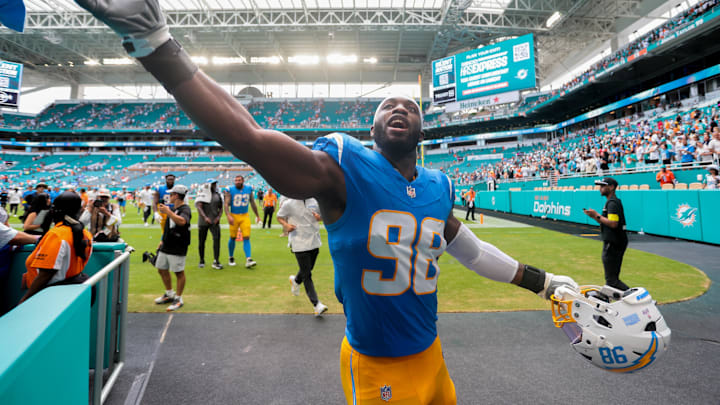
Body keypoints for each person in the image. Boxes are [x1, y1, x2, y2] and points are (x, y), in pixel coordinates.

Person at [73, 5, 578, 402]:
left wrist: (544, 281)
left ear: (424, 128)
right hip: (377, 365)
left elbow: (467, 248)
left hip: (433, 353)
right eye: (386, 106)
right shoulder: (344, 167)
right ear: (373, 131)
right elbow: (248, 136)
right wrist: (158, 45)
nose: (398, 107)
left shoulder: (438, 185)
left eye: (410, 106)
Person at [19, 191, 93, 303]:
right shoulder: (86, 234)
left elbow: (46, 273)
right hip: (70, 291)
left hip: (50, 295)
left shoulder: (56, 234)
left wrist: (26, 298)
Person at [277, 197, 328, 316]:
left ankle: (295, 280)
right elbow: (279, 216)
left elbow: (323, 215)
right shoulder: (289, 203)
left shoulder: (315, 201)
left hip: (314, 240)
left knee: (309, 268)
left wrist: (319, 218)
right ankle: (317, 304)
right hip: (298, 241)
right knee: (307, 274)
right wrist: (286, 225)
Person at [583, 177, 629, 291]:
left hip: (613, 244)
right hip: (614, 242)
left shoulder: (612, 203)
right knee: (611, 280)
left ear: (611, 187)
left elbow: (613, 223)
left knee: (612, 281)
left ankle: (636, 299)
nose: (600, 188)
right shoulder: (611, 202)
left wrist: (596, 215)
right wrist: (594, 216)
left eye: (603, 186)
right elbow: (607, 222)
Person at [153, 184, 191, 311]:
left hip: (178, 245)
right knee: (161, 268)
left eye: (171, 194)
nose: (169, 196)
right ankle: (169, 294)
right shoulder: (173, 208)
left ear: (176, 195)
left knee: (178, 272)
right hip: (167, 244)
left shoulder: (185, 209)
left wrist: (168, 212)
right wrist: (162, 240)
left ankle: (179, 298)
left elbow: (182, 222)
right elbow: (169, 227)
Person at [223, 175, 260, 268]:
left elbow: (252, 202)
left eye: (239, 180)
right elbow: (226, 204)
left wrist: (257, 215)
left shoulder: (249, 189)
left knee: (246, 237)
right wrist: (228, 215)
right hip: (234, 216)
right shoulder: (230, 189)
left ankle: (249, 259)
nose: (237, 182)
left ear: (243, 180)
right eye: (236, 180)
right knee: (232, 237)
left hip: (245, 216)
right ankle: (231, 257)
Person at [195, 179, 223, 269]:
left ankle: (216, 260)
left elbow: (221, 207)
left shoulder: (218, 195)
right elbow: (199, 207)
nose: (215, 186)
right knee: (202, 241)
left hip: (214, 221)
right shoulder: (202, 194)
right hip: (203, 222)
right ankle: (201, 260)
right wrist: (205, 218)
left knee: (217, 240)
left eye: (215, 184)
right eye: (213, 184)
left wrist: (218, 217)